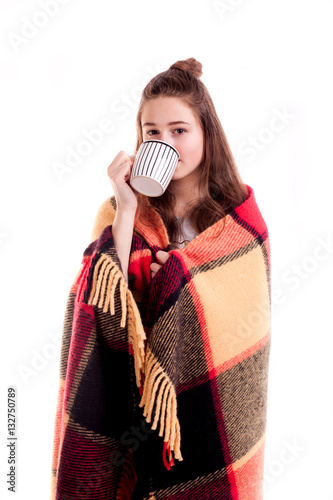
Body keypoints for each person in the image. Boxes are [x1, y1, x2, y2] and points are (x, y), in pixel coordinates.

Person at [50, 58, 271, 499]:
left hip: (204, 409)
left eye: (179, 130)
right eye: (152, 132)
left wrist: (180, 284)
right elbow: (97, 301)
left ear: (207, 133)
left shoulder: (241, 222)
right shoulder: (116, 213)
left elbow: (246, 325)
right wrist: (128, 208)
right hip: (129, 408)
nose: (164, 142)